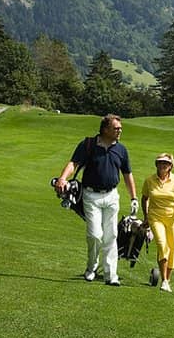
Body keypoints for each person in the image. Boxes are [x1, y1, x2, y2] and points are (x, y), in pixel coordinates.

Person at [55, 114, 136, 287]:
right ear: (105, 129)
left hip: (112, 196)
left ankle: (110, 274)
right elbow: (73, 164)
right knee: (95, 235)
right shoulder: (88, 145)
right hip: (91, 195)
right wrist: (62, 178)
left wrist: (133, 198)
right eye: (116, 128)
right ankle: (91, 267)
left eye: (120, 128)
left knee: (111, 235)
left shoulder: (121, 150)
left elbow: (127, 175)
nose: (120, 131)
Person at [141, 152, 174, 293]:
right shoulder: (149, 180)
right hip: (155, 217)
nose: (163, 165)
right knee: (162, 245)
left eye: (166, 163)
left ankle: (167, 280)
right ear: (156, 164)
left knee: (172, 248)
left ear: (171, 166)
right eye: (160, 162)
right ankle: (163, 280)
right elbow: (144, 198)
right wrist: (146, 216)